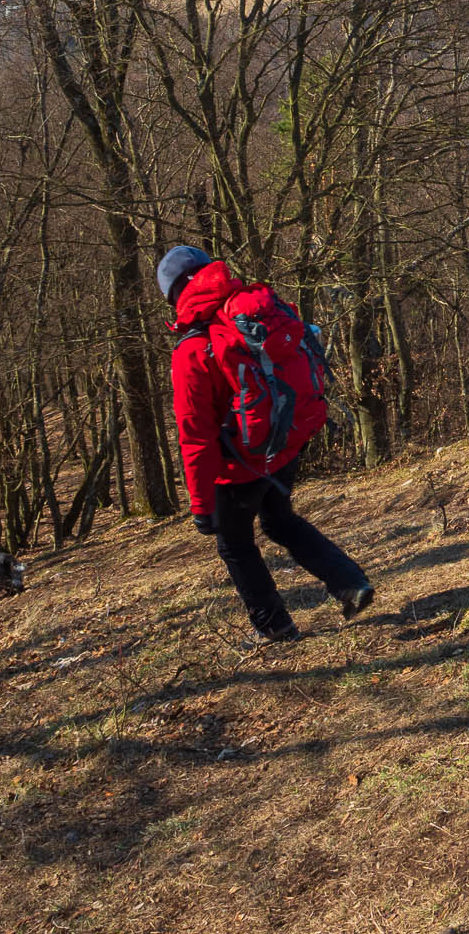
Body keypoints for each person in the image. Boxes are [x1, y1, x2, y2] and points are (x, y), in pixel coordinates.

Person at [157, 245, 374, 642]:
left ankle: (274, 626)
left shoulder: (192, 348)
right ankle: (349, 582)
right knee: (279, 520)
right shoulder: (258, 310)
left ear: (173, 295)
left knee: (234, 543)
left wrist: (202, 507)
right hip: (285, 442)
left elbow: (195, 434)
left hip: (240, 463)